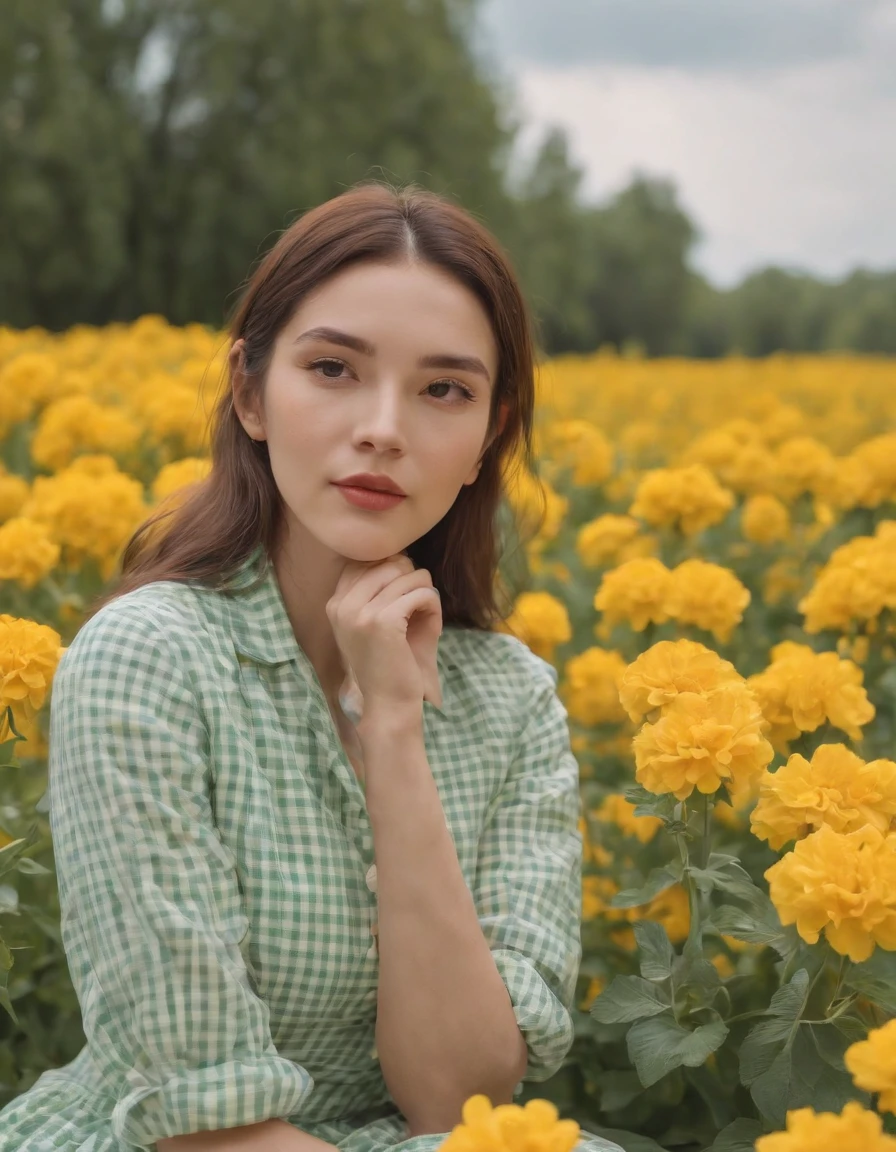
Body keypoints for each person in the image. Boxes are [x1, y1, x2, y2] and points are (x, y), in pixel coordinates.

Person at [0, 183, 623, 1152]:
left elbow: (458, 1109)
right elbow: (203, 1124)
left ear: (486, 439)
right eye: (333, 368)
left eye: (442, 390)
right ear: (248, 393)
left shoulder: (511, 703)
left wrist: (393, 730)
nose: (383, 426)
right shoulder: (146, 664)